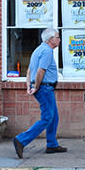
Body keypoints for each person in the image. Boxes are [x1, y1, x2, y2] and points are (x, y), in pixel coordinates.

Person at [13, 28, 67, 158]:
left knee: (54, 117)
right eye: (57, 37)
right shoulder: (47, 51)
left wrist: (29, 86)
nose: (59, 40)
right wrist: (36, 87)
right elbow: (40, 71)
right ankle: (21, 140)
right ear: (51, 39)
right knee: (47, 118)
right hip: (44, 88)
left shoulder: (38, 50)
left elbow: (29, 70)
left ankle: (52, 144)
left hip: (43, 87)